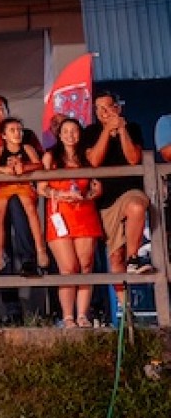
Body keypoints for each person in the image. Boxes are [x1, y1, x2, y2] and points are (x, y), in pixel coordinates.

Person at [84, 91, 154, 305]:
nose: (104, 113)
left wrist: (121, 129)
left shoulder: (132, 128)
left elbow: (134, 159)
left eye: (108, 107)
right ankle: (125, 307)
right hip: (106, 201)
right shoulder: (91, 132)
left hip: (130, 190)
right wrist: (107, 130)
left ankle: (134, 257)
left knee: (136, 206)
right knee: (115, 256)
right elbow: (94, 161)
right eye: (99, 109)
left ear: (118, 108)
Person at [38, 116, 104, 328]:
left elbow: (96, 185)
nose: (70, 135)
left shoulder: (87, 156)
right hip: (60, 215)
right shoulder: (50, 157)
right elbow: (41, 187)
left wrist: (90, 194)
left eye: (74, 130)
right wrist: (60, 193)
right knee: (68, 267)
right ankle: (67, 316)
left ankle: (83, 315)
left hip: (84, 213)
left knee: (85, 266)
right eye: (65, 131)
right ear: (59, 134)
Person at [0, 116, 49, 275]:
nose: (17, 133)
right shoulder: (0, 151)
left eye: (19, 130)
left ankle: (40, 249)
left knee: (30, 210)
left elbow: (39, 163)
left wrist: (24, 167)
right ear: (4, 135)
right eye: (12, 130)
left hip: (23, 184)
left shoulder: (27, 148)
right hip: (5, 186)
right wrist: (4, 170)